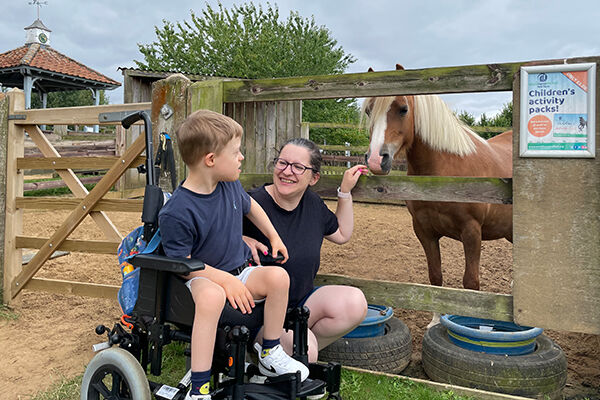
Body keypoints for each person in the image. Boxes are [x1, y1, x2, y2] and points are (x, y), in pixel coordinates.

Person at [159, 110, 309, 400]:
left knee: (278, 277)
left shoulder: (228, 186)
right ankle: (199, 388)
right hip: (199, 276)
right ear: (211, 159)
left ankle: (270, 351)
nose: (241, 157)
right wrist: (224, 282)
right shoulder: (177, 210)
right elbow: (182, 264)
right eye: (237, 152)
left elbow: (251, 207)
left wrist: (274, 236)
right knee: (212, 296)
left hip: (239, 269)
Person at [243, 138, 369, 363]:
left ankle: (289, 356)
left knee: (355, 302)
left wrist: (345, 192)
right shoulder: (252, 204)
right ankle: (272, 354)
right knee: (306, 350)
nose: (287, 171)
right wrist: (240, 237)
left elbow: (341, 234)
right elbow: (212, 236)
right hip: (258, 317)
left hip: (299, 306)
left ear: (314, 178)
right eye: (282, 163)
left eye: (298, 167)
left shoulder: (312, 204)